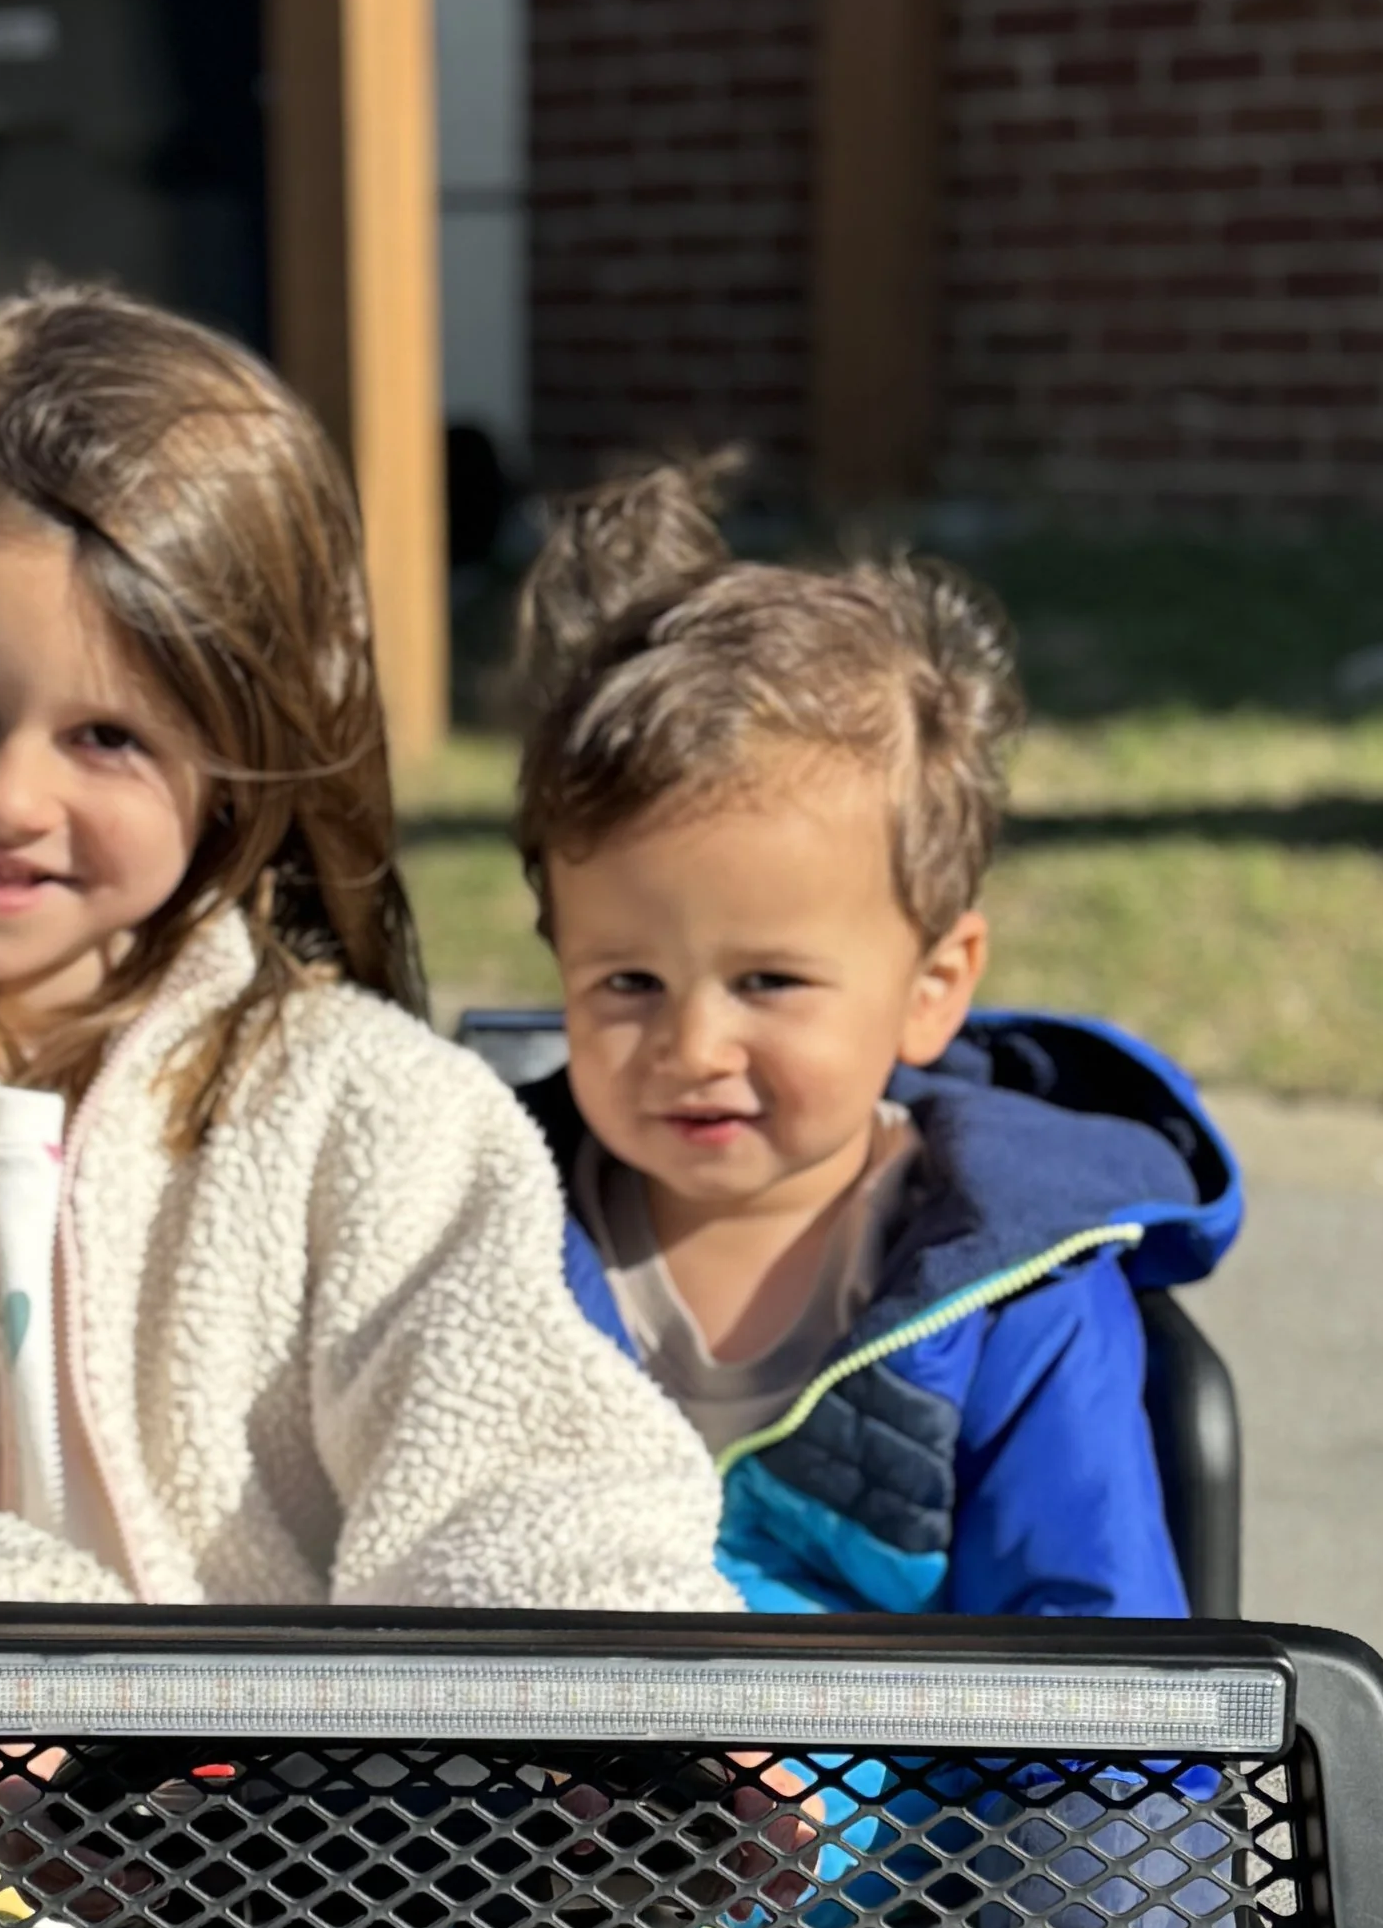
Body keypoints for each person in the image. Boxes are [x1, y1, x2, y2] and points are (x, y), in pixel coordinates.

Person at [0, 288, 729, 1615]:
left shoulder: (380, 1118)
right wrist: (53, 1676)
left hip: (312, 1766)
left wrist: (613, 1671)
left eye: (108, 737)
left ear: (240, 762)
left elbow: (530, 1478)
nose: (9, 795)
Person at [508, 461, 1241, 1621]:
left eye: (767, 981)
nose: (693, 1045)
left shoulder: (1013, 1295)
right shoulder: (486, 1238)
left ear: (931, 987)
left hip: (913, 1747)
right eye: (628, 981)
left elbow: (1098, 1667)